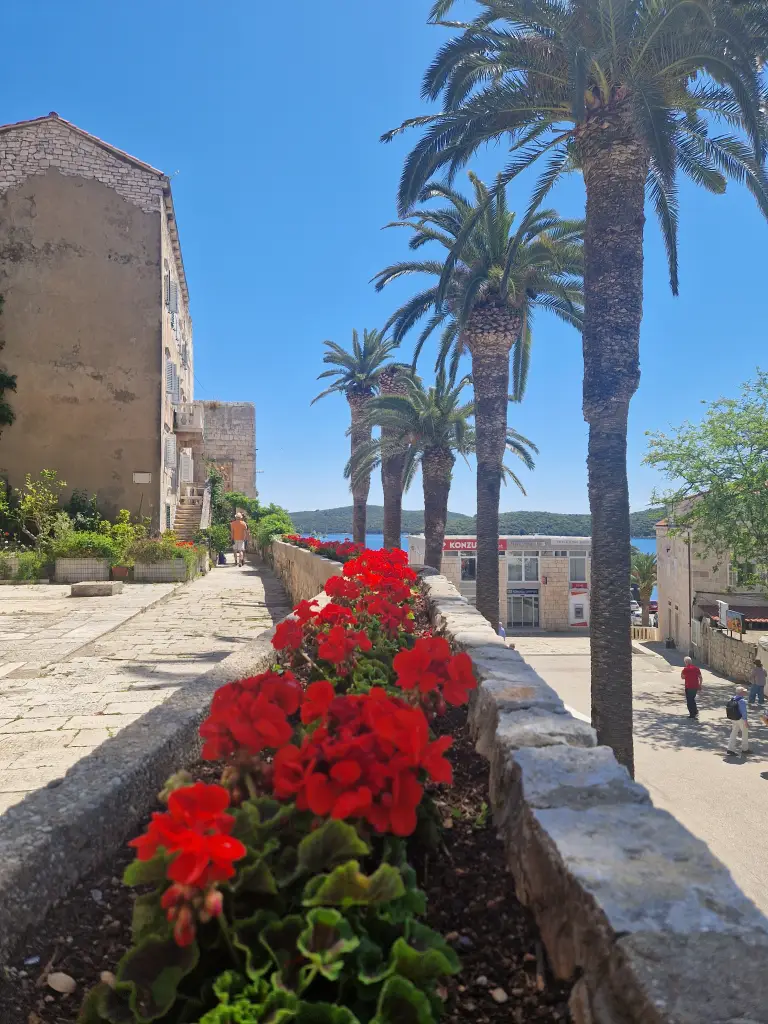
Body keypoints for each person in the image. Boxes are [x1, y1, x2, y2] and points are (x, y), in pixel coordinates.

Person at [726, 686, 750, 756]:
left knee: (733, 733)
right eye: (744, 691)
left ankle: (730, 749)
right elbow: (744, 712)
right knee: (745, 733)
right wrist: (746, 721)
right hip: (741, 719)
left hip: (733, 718)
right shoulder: (742, 701)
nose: (745, 692)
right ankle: (745, 749)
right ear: (741, 692)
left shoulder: (732, 698)